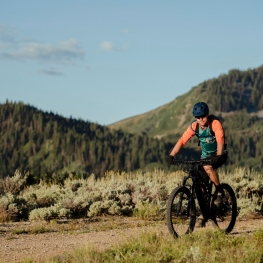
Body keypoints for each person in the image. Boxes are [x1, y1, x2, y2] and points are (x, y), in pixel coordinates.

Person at [168, 101, 228, 226]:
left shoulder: (215, 124)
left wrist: (219, 155)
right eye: (198, 117)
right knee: (199, 183)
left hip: (219, 154)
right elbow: (182, 141)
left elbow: (220, 140)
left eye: (203, 116)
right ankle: (205, 213)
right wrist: (172, 155)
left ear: (208, 114)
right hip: (205, 156)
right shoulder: (194, 127)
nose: (200, 119)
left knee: (207, 166)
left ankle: (220, 192)